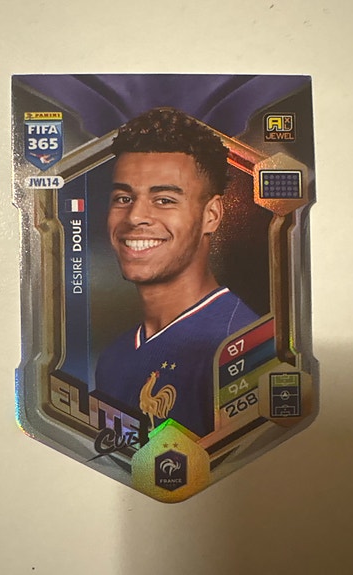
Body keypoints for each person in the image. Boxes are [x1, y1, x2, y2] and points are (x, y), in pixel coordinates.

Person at [95, 108, 258, 437]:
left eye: (164, 200)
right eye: (123, 197)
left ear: (211, 215)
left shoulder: (241, 348)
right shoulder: (113, 357)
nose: (135, 216)